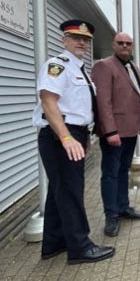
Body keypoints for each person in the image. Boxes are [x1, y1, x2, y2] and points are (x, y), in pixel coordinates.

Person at [32, 19, 115, 264]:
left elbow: (77, 107)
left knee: (60, 191)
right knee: (70, 192)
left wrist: (81, 136)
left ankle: (54, 243)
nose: (81, 42)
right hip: (59, 135)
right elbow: (48, 101)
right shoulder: (57, 66)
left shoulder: (79, 70)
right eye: (76, 38)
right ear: (63, 39)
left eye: (86, 39)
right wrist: (66, 137)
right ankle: (80, 248)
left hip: (73, 133)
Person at [91, 32, 140, 237]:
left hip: (131, 130)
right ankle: (111, 214)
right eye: (121, 43)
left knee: (124, 170)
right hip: (114, 132)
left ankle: (123, 207)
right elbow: (103, 101)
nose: (125, 46)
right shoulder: (104, 66)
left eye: (129, 44)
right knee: (110, 173)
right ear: (113, 44)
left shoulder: (133, 67)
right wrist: (110, 130)